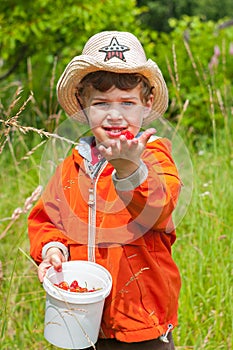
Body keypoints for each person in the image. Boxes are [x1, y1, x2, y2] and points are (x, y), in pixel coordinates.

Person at [28, 31, 182, 350]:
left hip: (140, 320)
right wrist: (52, 249)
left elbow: (161, 205)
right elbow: (47, 220)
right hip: (80, 314)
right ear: (84, 106)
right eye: (101, 103)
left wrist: (129, 171)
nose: (114, 114)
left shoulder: (154, 156)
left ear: (147, 105)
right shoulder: (73, 166)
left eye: (127, 103)